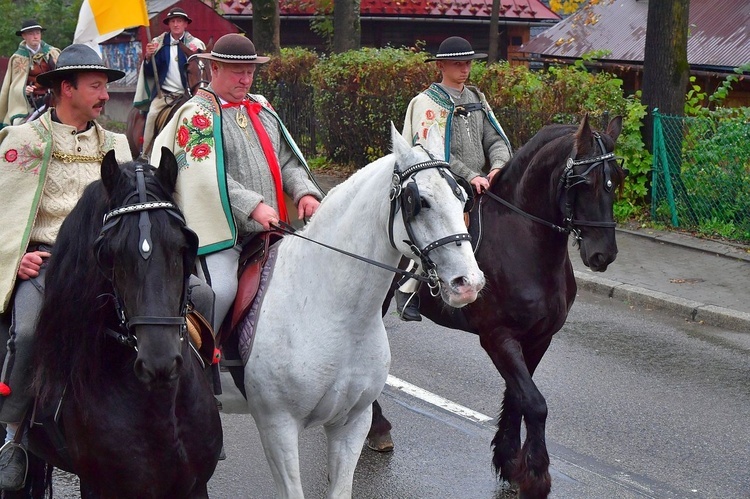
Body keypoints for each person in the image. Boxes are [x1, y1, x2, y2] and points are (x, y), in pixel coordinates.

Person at [0, 44, 132, 491]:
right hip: (47, 266)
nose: (104, 94)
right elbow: (2, 212)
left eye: (105, 85)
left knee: (176, 311)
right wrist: (15, 258)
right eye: (96, 86)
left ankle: (189, 416)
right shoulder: (23, 141)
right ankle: (11, 438)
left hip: (106, 266)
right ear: (65, 88)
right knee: (31, 331)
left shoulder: (116, 144)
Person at [151, 33, 323, 336]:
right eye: (238, 72)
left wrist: (304, 192)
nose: (246, 80)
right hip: (224, 235)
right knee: (221, 290)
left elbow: (286, 160)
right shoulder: (196, 114)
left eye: (250, 72)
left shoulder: (261, 106)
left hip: (273, 229)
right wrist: (253, 206)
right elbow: (202, 177)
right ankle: (197, 359)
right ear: (214, 69)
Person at [396, 36, 513, 321]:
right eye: (458, 63)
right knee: (442, 226)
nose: (465, 69)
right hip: (443, 182)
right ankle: (408, 288)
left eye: (468, 63)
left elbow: (495, 139)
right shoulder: (425, 103)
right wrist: (470, 175)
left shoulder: (476, 98)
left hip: (484, 181)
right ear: (441, 66)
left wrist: (497, 166)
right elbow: (432, 154)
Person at [134, 7, 205, 157]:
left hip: (188, 95)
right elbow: (149, 73)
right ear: (169, 24)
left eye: (179, 21)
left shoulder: (195, 45)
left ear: (186, 24)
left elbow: (202, 71)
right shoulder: (158, 44)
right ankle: (146, 154)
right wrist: (148, 58)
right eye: (173, 21)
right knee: (152, 115)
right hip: (164, 96)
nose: (176, 24)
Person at [0, 20, 60, 128]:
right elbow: (14, 86)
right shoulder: (18, 58)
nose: (35, 36)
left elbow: (61, 75)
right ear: (24, 36)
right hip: (29, 101)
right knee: (18, 124)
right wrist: (24, 89)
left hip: (53, 96)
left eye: (37, 33)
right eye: (31, 34)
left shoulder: (52, 53)